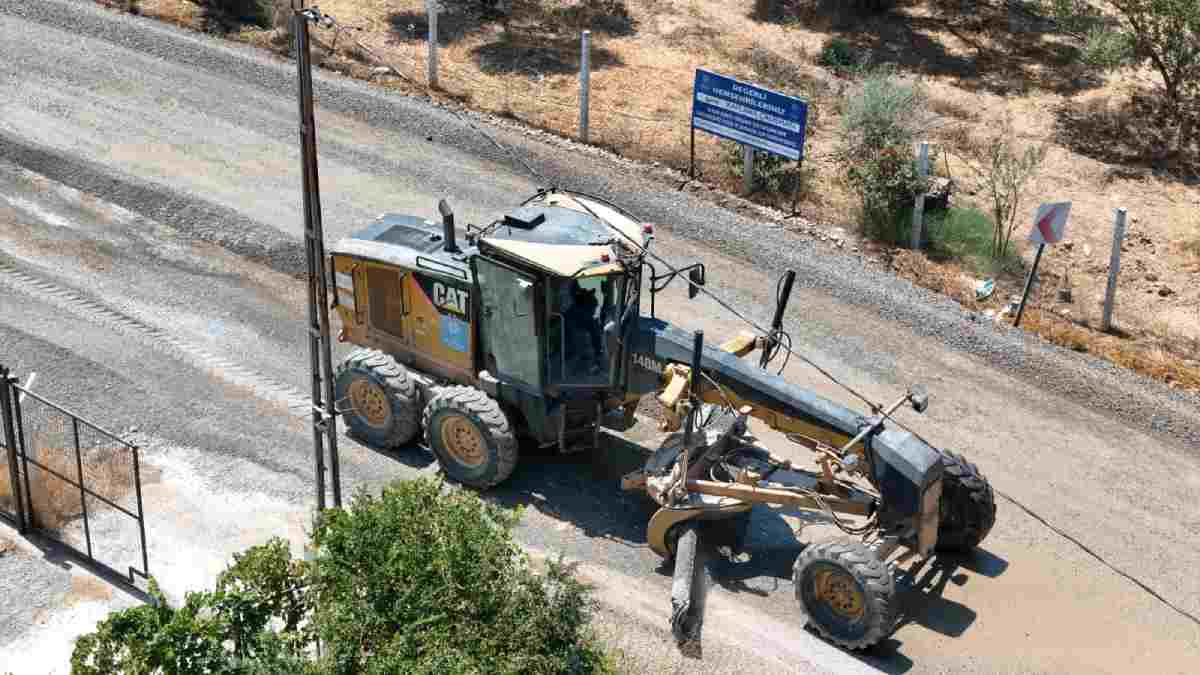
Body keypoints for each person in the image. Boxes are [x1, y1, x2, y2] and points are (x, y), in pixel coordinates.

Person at [563, 280, 603, 376]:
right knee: (584, 347)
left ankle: (589, 364)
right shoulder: (580, 306)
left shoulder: (578, 303)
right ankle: (590, 366)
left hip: (580, 326)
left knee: (585, 346)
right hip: (579, 327)